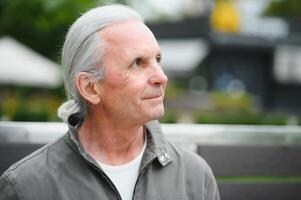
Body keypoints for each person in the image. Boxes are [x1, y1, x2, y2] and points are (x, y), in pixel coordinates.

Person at [0, 4, 220, 200]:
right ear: (90, 87)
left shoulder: (195, 176)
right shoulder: (24, 187)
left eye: (157, 60)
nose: (161, 77)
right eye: (137, 63)